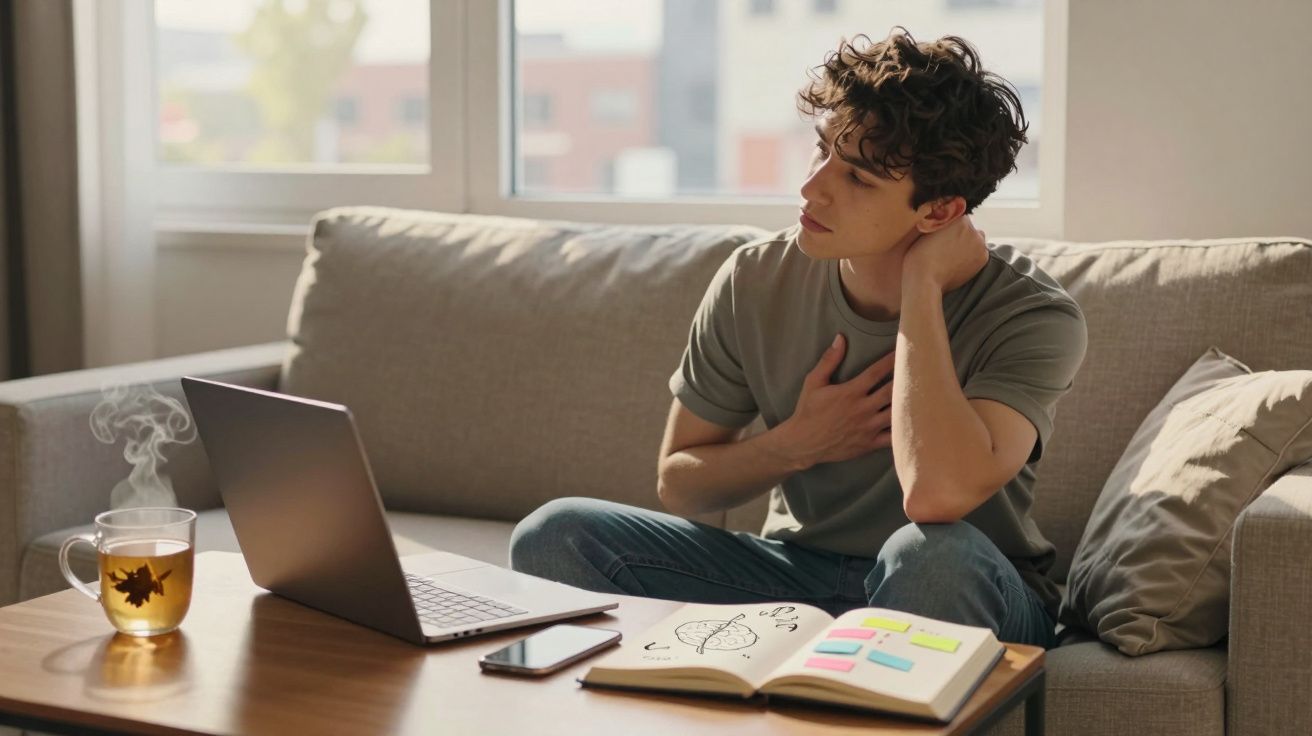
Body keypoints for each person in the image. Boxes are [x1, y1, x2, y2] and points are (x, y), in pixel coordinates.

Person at [509, 27, 1087, 649]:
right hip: (793, 577)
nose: (812, 187)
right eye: (821, 151)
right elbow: (680, 483)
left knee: (928, 554)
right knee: (556, 533)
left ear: (940, 212)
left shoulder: (1032, 315)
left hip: (965, 591)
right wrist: (796, 445)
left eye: (859, 179)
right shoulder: (757, 277)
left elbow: (936, 495)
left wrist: (922, 287)